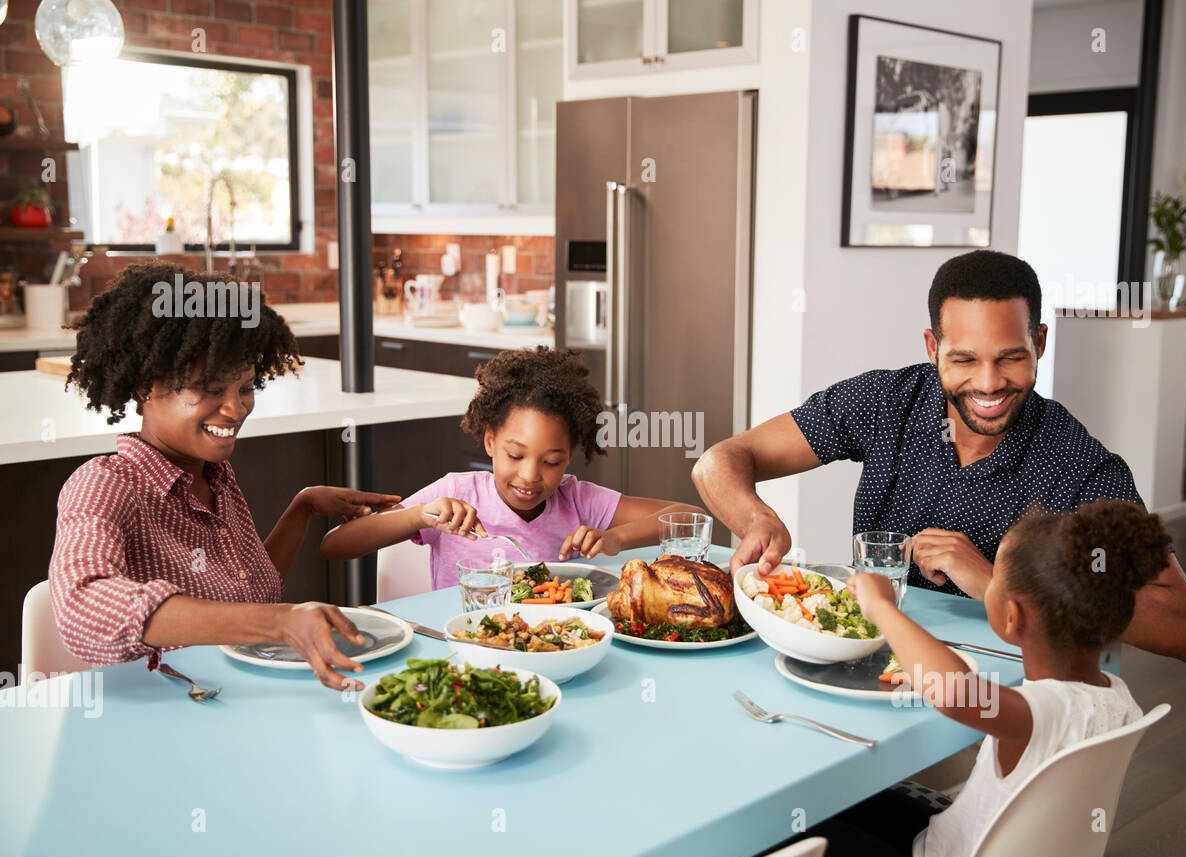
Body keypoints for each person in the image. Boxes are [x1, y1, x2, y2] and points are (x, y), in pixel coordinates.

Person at [693, 250, 1186, 662]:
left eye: (1011, 356)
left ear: (1040, 343)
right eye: (964, 358)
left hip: (992, 705)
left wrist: (996, 583)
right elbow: (720, 460)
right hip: (861, 658)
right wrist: (757, 518)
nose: (988, 383)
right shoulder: (885, 402)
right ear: (932, 347)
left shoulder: (1079, 467)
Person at [50, 262, 401, 690]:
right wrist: (277, 623)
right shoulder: (105, 484)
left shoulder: (216, 476)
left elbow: (251, 596)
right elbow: (82, 607)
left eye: (246, 388)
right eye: (211, 389)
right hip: (164, 710)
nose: (236, 409)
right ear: (145, 385)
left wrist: (303, 507)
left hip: (230, 695)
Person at [834, 499, 1168, 857]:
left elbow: (954, 692)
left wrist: (880, 607)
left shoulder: (1044, 711)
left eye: (996, 581)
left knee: (809, 826)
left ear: (1012, 617)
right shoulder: (1118, 698)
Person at [321, 346, 704, 585]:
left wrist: (615, 539)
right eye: (515, 455)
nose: (530, 476)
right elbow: (336, 546)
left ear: (569, 456)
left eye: (552, 461)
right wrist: (420, 516)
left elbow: (691, 516)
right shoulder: (456, 492)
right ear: (490, 440)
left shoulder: (579, 501)